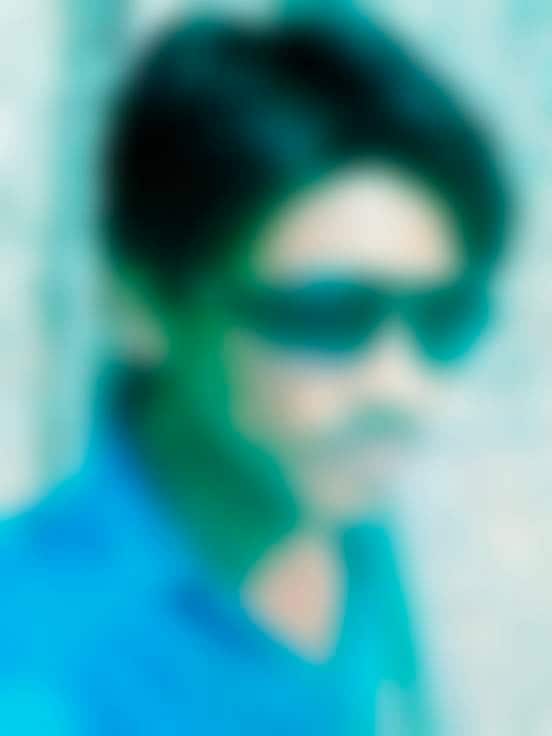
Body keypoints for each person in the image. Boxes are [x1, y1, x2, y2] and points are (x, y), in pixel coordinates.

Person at [1, 9, 510, 735]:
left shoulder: (368, 540)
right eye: (326, 314)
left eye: (445, 318)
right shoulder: (32, 662)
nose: (400, 386)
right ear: (142, 304)